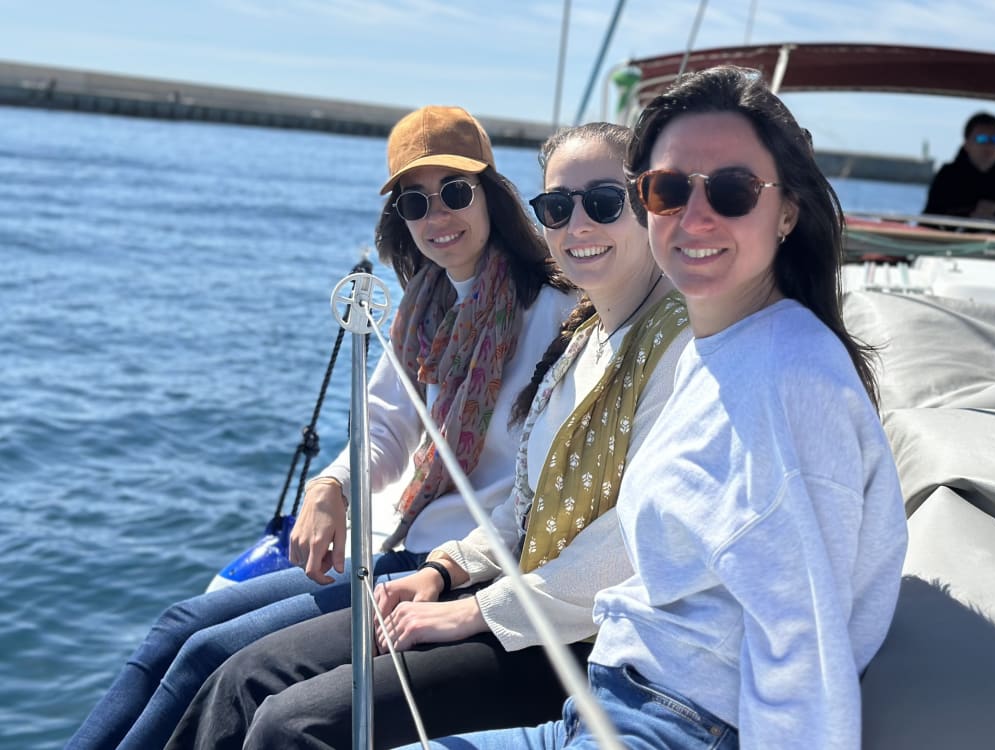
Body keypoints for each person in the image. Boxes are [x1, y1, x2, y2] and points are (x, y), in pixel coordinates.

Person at [406, 65, 908, 750]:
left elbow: (804, 654)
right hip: (613, 696)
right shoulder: (724, 345)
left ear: (787, 209)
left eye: (731, 190)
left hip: (675, 724)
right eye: (669, 190)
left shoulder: (792, 380)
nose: (694, 217)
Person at [161, 122, 692, 750]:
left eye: (604, 203)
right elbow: (523, 504)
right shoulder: (556, 333)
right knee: (226, 665)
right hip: (477, 573)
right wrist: (440, 566)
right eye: (557, 206)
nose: (577, 224)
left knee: (284, 717)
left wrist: (468, 602)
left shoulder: (614, 328)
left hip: (568, 634)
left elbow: (630, 544)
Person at [65, 105, 577, 750]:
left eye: (453, 192)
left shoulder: (556, 310)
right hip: (397, 544)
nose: (437, 217)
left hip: (458, 564)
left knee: (211, 658)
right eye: (415, 204)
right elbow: (388, 431)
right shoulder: (424, 306)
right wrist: (329, 485)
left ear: (491, 196)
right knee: (179, 626)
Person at [923, 111, 995, 221]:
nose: (989, 145)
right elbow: (929, 218)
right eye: (982, 139)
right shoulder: (948, 176)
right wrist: (971, 215)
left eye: (994, 140)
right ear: (967, 143)